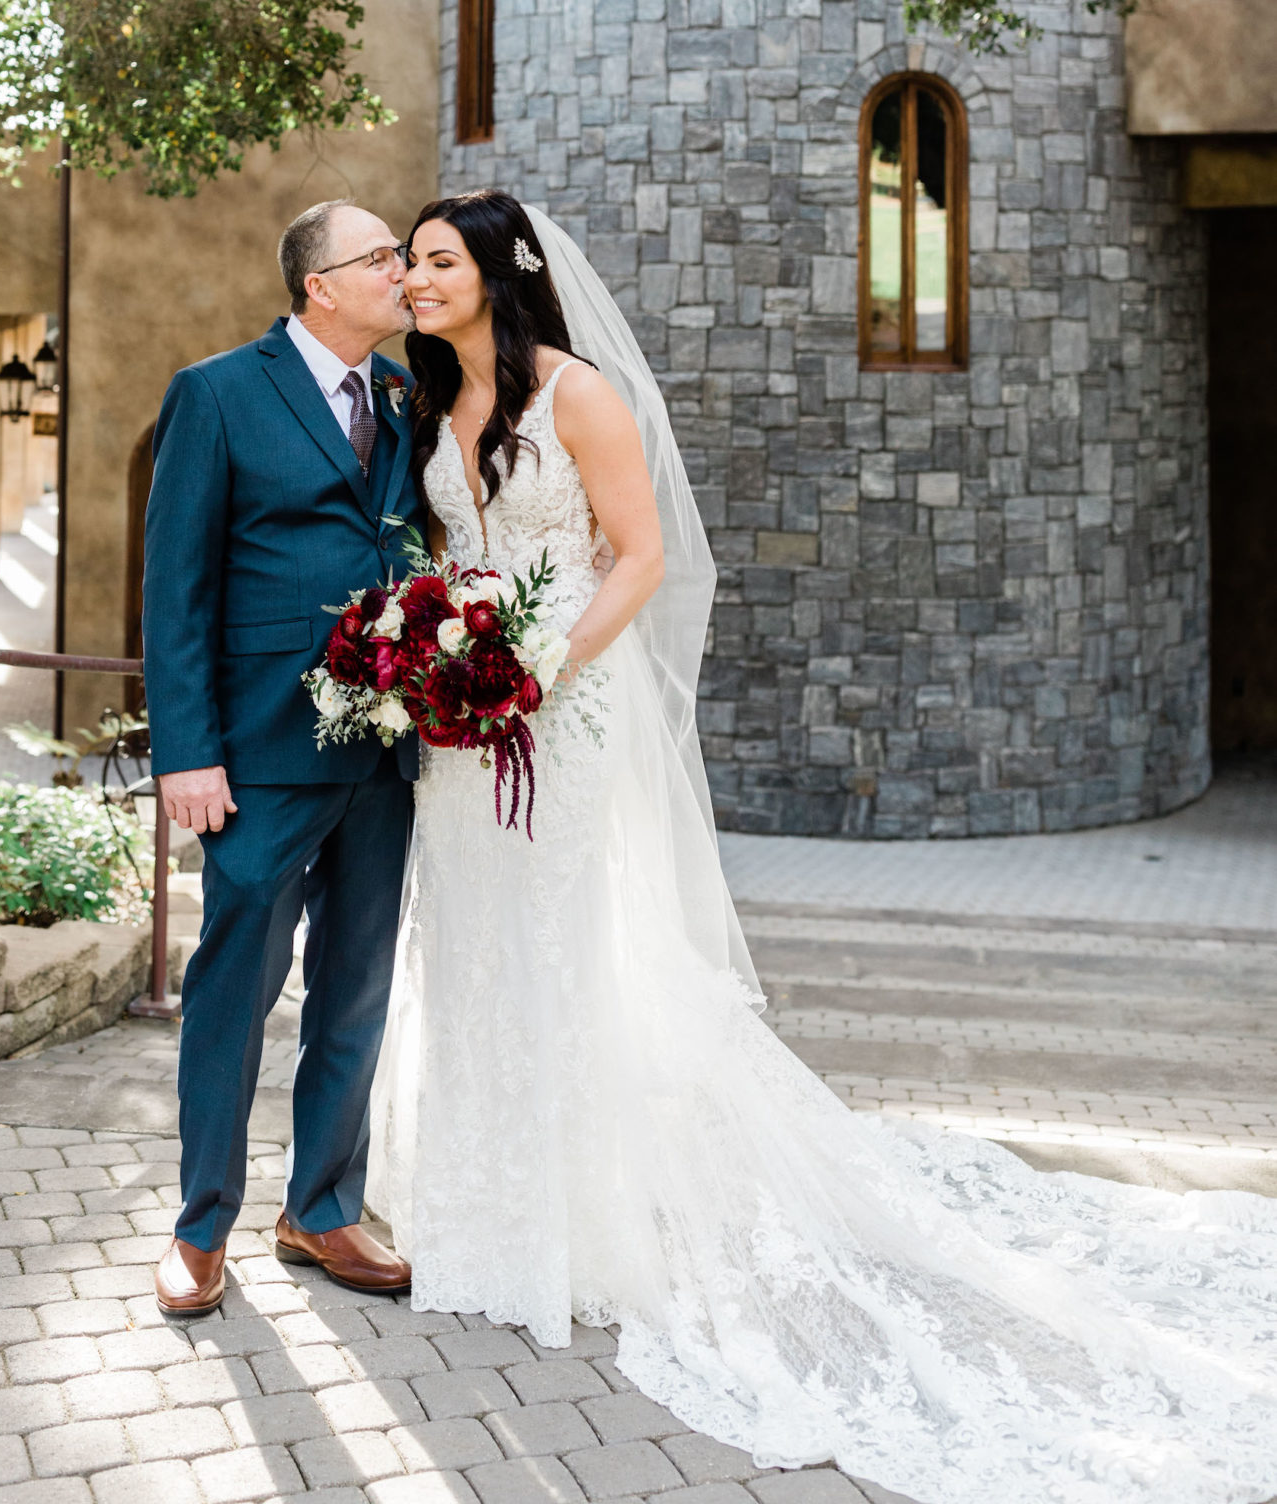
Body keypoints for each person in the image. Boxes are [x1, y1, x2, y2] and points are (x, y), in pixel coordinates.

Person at [369, 188, 1277, 1504]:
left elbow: (642, 556)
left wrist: (541, 667)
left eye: (436, 260)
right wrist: (434, 657)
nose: (413, 277)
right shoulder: (427, 403)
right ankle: (475, 1204)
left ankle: (573, 1222)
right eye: (407, 262)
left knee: (554, 942)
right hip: (463, 723)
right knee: (468, 941)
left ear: (497, 275)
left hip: (560, 710)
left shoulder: (576, 395)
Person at [142, 198, 421, 1317]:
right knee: (233, 990)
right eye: (381, 257)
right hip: (257, 750)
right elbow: (175, 585)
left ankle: (322, 1209)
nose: (401, 271)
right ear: (321, 284)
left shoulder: (404, 396)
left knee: (355, 988)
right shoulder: (215, 393)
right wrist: (186, 751)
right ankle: (200, 1225)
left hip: (387, 747)